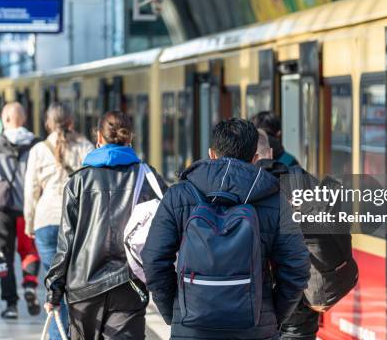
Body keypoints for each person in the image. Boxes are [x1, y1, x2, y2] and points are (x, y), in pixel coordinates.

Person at [142, 118, 310, 339]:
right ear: (255, 158)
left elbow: (154, 260)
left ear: (212, 153)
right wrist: (271, 315)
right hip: (255, 329)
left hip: (192, 326)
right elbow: (296, 266)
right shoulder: (274, 200)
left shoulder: (179, 194)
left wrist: (174, 311)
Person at [45, 110, 167, 339]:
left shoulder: (79, 180)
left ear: (98, 138)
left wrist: (54, 289)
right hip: (130, 284)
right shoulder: (148, 177)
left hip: (83, 287)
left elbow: (66, 242)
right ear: (130, 138)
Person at [24, 103, 93, 340]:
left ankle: (59, 336)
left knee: (55, 287)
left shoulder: (38, 150)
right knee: (74, 287)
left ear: (48, 124)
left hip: (46, 222)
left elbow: (31, 192)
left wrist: (29, 224)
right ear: (71, 122)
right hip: (77, 222)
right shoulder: (86, 147)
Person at [0, 102, 41, 319]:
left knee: (2, 256)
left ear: (5, 120)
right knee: (29, 251)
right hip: (28, 211)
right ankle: (30, 286)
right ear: (23, 119)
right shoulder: (37, 145)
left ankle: (11, 304)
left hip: (0, 211)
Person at [253, 128, 319, 339]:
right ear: (270, 153)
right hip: (301, 305)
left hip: (258, 307)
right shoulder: (302, 180)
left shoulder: (244, 191)